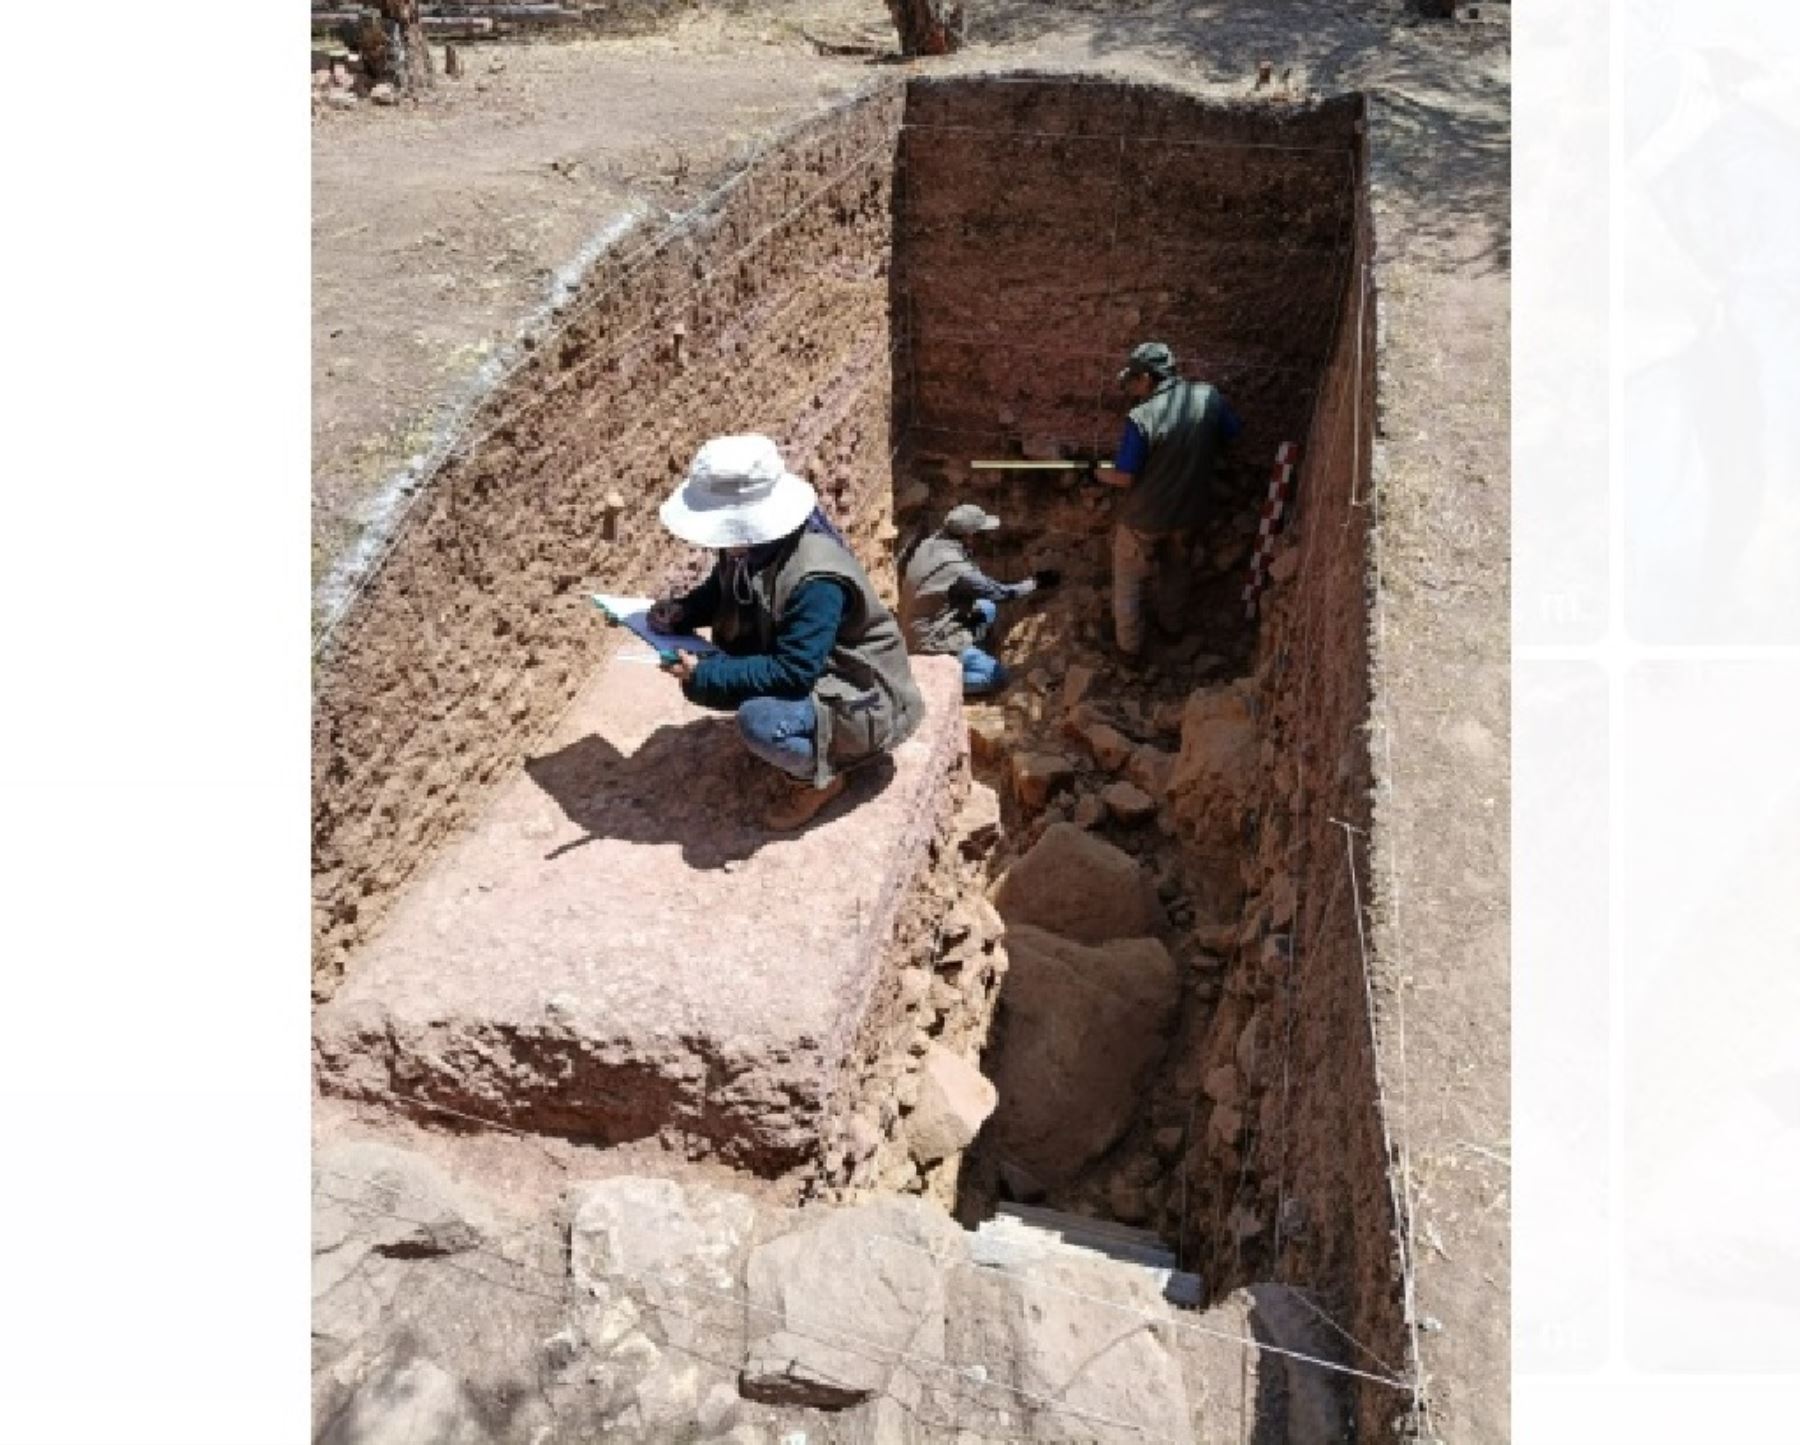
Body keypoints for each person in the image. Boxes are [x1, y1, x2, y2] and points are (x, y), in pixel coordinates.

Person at [646, 434, 925, 831]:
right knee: (727, 683)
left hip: (861, 693)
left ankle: (816, 778)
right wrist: (683, 612)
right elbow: (721, 589)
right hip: (817, 668)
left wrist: (707, 673)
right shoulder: (751, 547)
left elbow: (794, 672)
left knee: (758, 723)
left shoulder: (815, 579)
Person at [1093, 341, 1243, 660]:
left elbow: (1125, 477)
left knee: (1128, 582)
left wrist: (1098, 472)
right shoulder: (1208, 397)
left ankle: (1129, 649)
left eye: (1134, 380)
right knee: (1176, 571)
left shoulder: (1141, 417)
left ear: (1147, 378)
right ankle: (1171, 629)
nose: (1132, 388)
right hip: (1190, 513)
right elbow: (1232, 433)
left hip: (1144, 519)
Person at [898, 504, 1060, 696]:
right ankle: (939, 682)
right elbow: (1001, 593)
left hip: (916, 625)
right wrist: (1036, 582)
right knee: (997, 676)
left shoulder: (930, 543)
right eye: (980, 533)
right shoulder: (958, 570)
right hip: (930, 642)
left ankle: (969, 653)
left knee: (987, 609)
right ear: (969, 535)